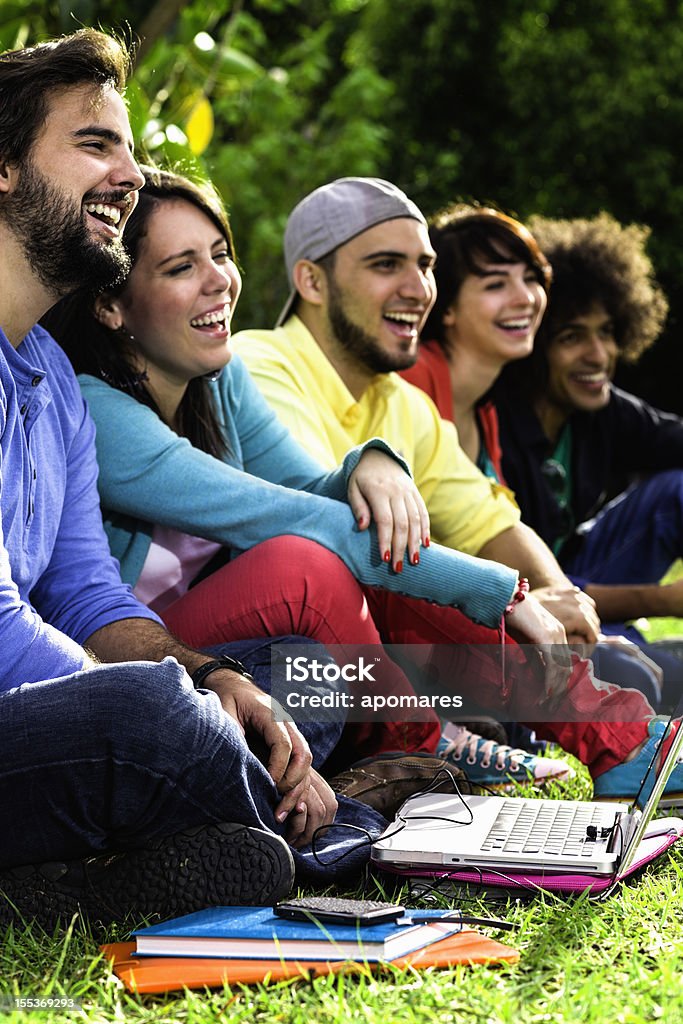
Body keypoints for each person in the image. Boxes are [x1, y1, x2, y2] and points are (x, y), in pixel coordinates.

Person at [0, 29, 448, 932]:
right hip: (47, 720)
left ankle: (67, 883)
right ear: (5, 169)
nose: (129, 174)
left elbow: (89, 597)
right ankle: (322, 827)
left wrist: (212, 679)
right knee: (156, 722)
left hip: (44, 730)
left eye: (129, 147)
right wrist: (179, 701)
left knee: (278, 686)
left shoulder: (50, 382)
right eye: (95, 144)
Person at [46, 165, 574, 792]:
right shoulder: (96, 408)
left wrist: (366, 462)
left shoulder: (219, 380)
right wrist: (508, 593)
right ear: (110, 304)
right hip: (129, 653)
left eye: (219, 255)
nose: (219, 281)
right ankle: (419, 748)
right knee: (304, 565)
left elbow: (309, 489)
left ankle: (576, 737)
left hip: (229, 652)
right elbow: (289, 518)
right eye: (181, 267)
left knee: (332, 613)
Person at [232, 175, 683, 803]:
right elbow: (333, 533)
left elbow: (487, 523)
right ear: (311, 281)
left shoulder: (405, 403)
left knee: (555, 623)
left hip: (356, 666)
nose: (417, 289)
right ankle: (568, 738)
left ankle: (602, 740)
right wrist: (507, 595)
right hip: (262, 664)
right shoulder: (261, 363)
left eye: (424, 266)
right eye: (386, 265)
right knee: (380, 557)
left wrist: (556, 597)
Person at [402, 202, 666, 711]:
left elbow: (496, 528)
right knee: (638, 677)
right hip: (419, 646)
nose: (525, 298)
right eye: (496, 284)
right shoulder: (412, 385)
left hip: (486, 625)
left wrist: (569, 606)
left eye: (531, 278)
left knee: (636, 669)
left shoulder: (486, 412)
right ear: (446, 305)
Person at [492, 212, 683, 705]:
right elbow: (518, 587)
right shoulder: (494, 421)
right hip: (518, 600)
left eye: (606, 332)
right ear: (534, 345)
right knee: (646, 673)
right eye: (572, 337)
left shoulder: (601, 407)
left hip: (579, 568)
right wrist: (664, 601)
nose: (599, 355)